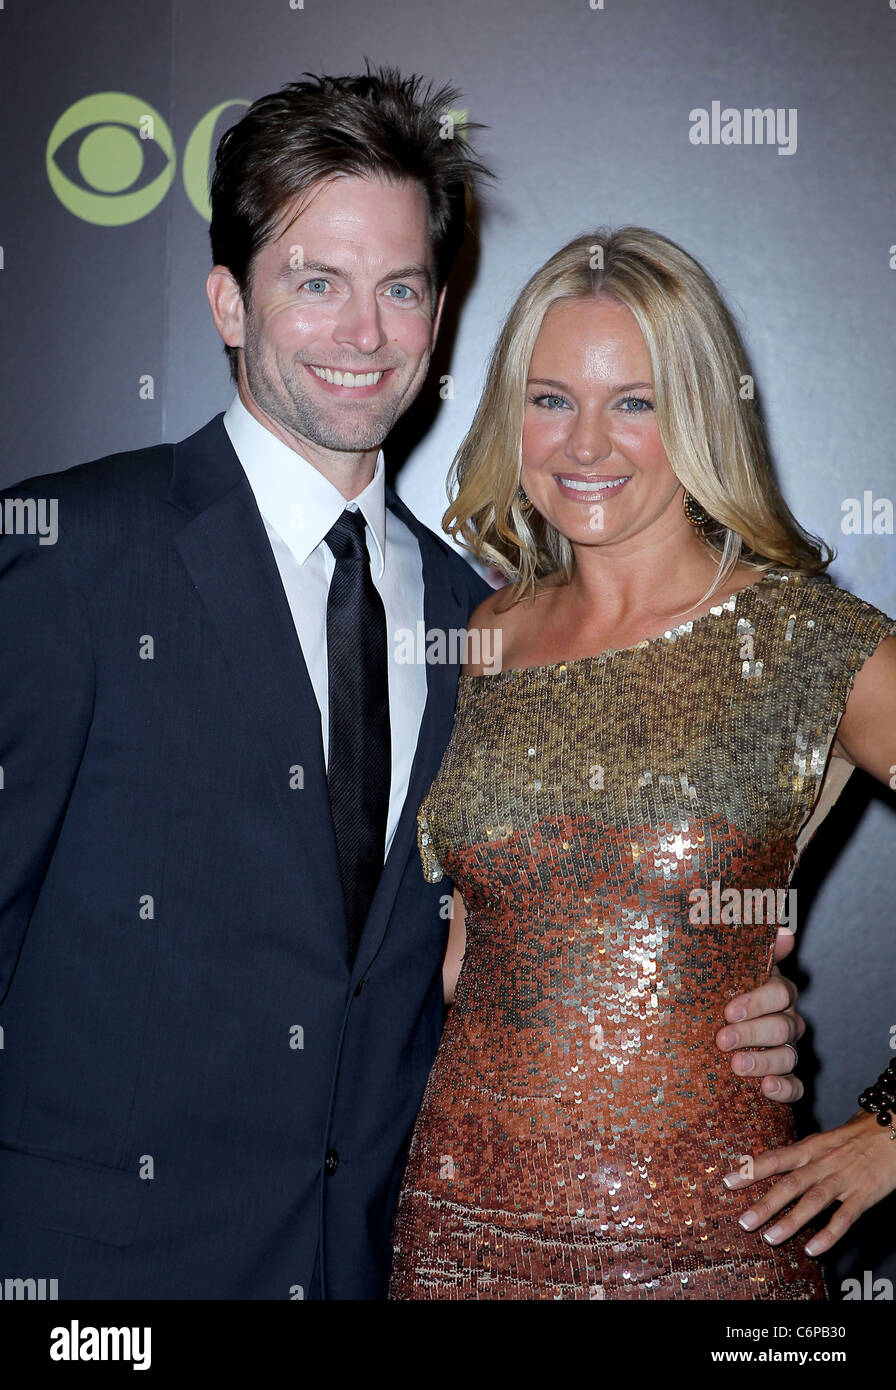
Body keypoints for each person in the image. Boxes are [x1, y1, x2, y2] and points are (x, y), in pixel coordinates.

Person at [0, 72, 803, 1301]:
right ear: (228, 301)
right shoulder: (72, 552)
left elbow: (498, 955)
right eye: (314, 282)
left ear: (438, 316)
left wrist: (712, 1003)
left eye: (399, 289)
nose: (363, 334)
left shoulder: (476, 619)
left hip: (380, 1271)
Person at [388, 226, 896, 1300]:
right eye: (549, 397)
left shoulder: (809, 642)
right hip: (458, 1245)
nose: (585, 443)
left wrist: (894, 1122)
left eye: (635, 401)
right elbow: (459, 963)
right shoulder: (480, 634)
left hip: (712, 1254)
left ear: (702, 412)